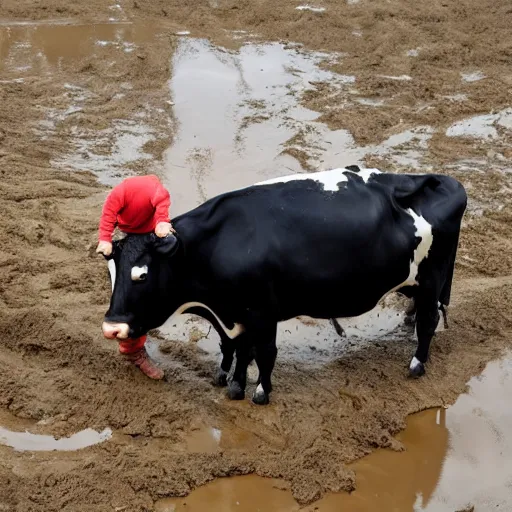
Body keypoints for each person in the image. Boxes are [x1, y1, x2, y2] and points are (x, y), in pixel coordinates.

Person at [96, 174, 174, 380]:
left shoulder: (157, 192)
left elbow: (162, 208)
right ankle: (133, 353)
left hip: (148, 236)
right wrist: (105, 239)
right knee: (129, 296)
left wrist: (162, 223)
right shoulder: (118, 194)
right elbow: (108, 216)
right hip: (127, 238)